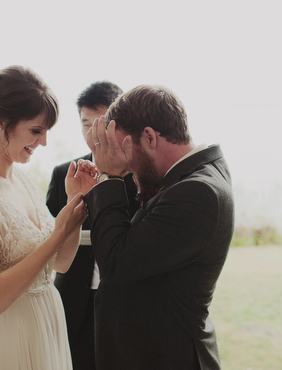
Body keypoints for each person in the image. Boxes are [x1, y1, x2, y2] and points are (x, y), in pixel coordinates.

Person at [0, 66, 96, 370]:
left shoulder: (20, 179)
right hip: (5, 336)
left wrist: (74, 205)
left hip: (44, 322)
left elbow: (61, 263)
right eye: (36, 131)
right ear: (1, 122)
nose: (44, 142)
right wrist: (56, 233)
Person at [81, 85, 235, 369]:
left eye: (123, 149)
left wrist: (109, 176)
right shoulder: (189, 178)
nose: (125, 165)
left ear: (149, 137)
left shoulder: (197, 192)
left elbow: (115, 262)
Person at [46, 81, 139, 370]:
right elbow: (48, 236)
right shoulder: (66, 173)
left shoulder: (139, 176)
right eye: (86, 123)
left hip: (127, 302)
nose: (92, 132)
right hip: (74, 299)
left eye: (99, 123)